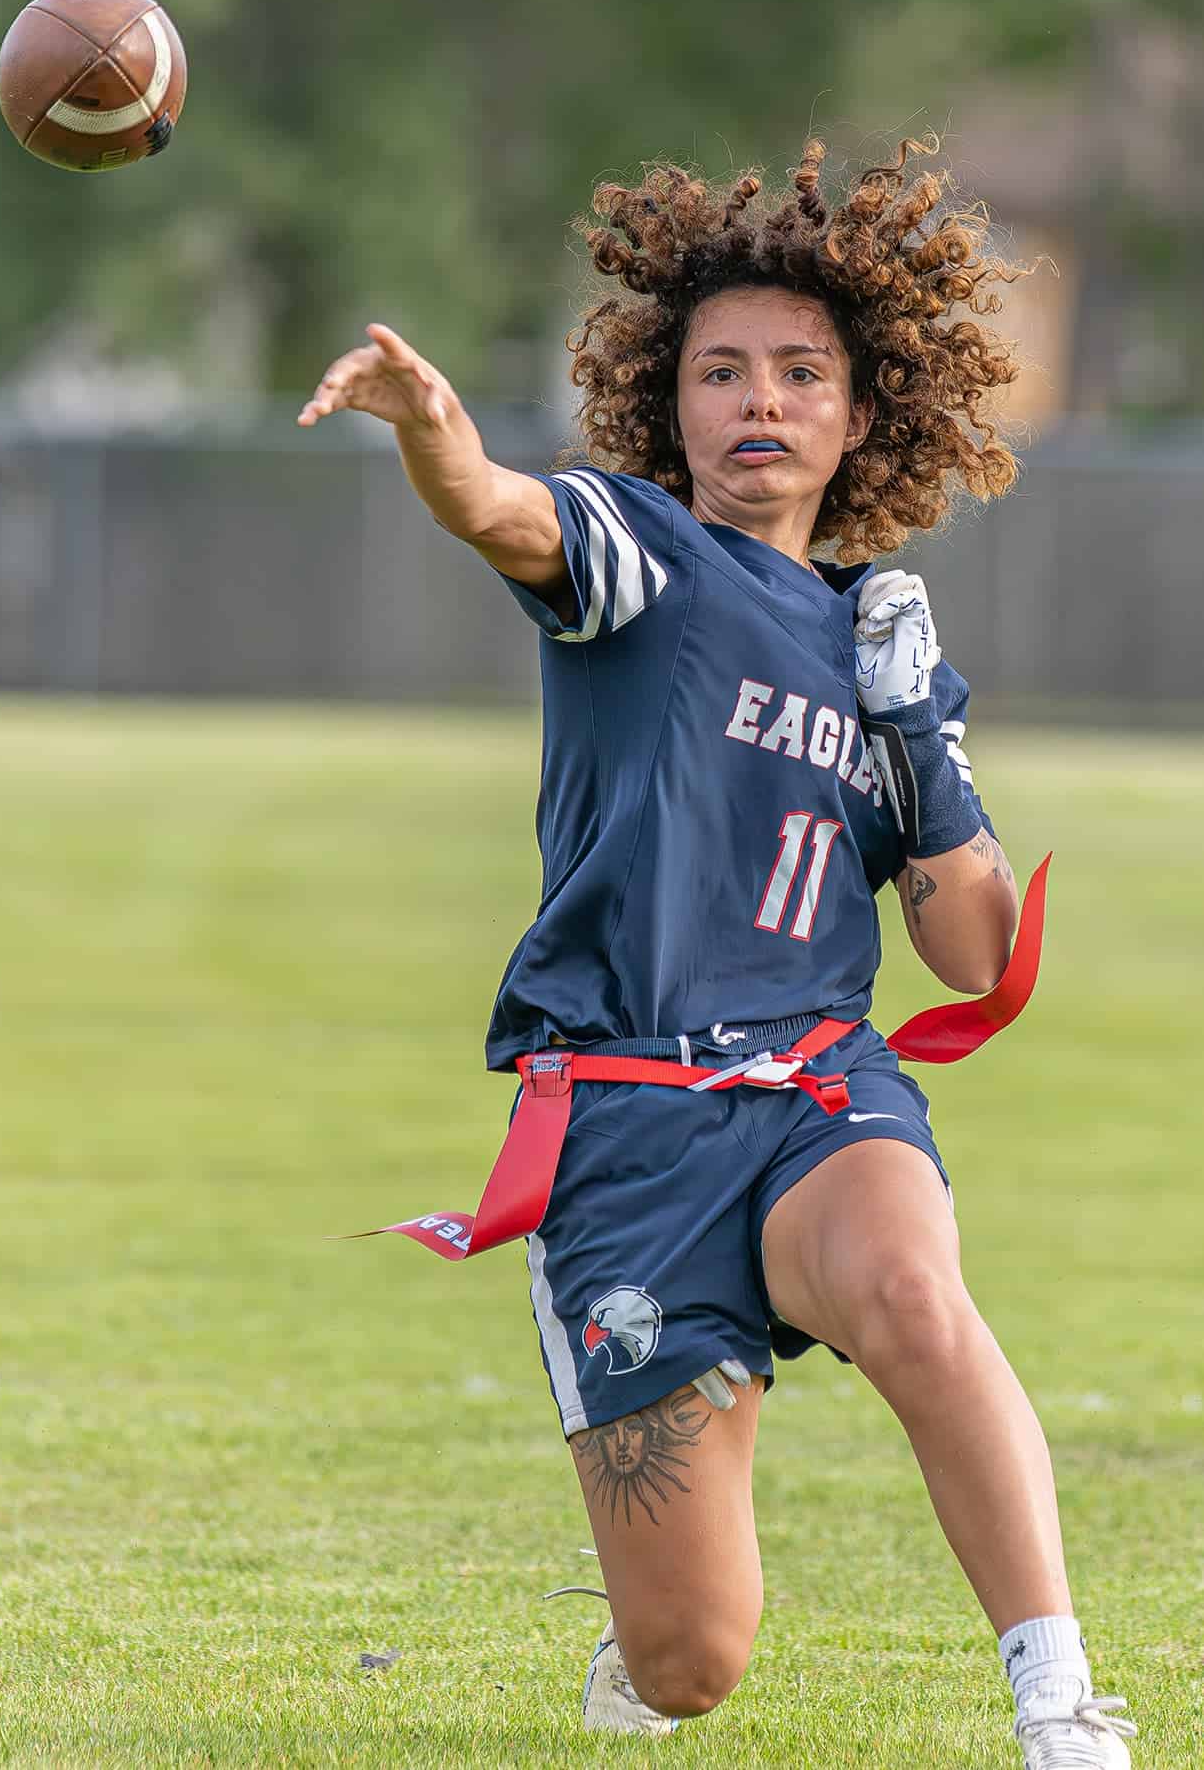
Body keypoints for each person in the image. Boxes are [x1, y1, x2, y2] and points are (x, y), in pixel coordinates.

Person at [298, 139, 1136, 1768]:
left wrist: (915, 732)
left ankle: (1059, 1707)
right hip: (620, 1125)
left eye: (800, 374)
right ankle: (646, 1628)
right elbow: (495, 510)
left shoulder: (878, 643)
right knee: (691, 1664)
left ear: (859, 411)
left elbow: (968, 957)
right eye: (721, 372)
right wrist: (435, 434)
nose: (759, 400)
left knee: (908, 1285)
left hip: (813, 1085)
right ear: (665, 407)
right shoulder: (638, 557)